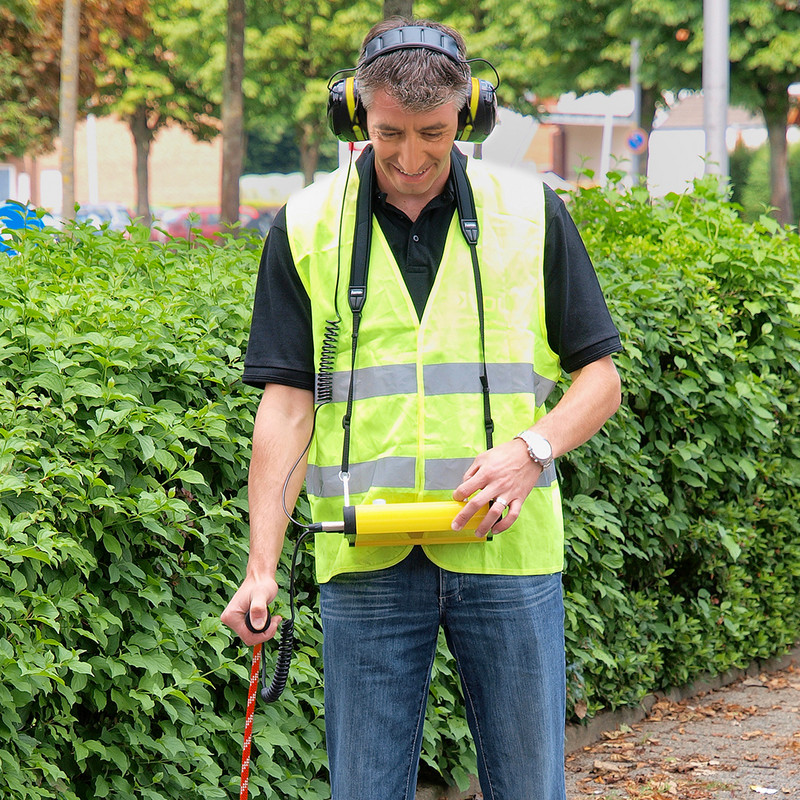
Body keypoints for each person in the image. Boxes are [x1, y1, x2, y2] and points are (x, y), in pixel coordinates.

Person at [222, 17, 622, 800]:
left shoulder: (533, 212)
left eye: (433, 134)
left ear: (469, 115)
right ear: (355, 116)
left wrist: (529, 451)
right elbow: (288, 405)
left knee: (532, 790)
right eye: (389, 133)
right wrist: (261, 568)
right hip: (364, 558)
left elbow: (599, 379)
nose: (409, 158)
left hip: (507, 557)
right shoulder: (305, 225)